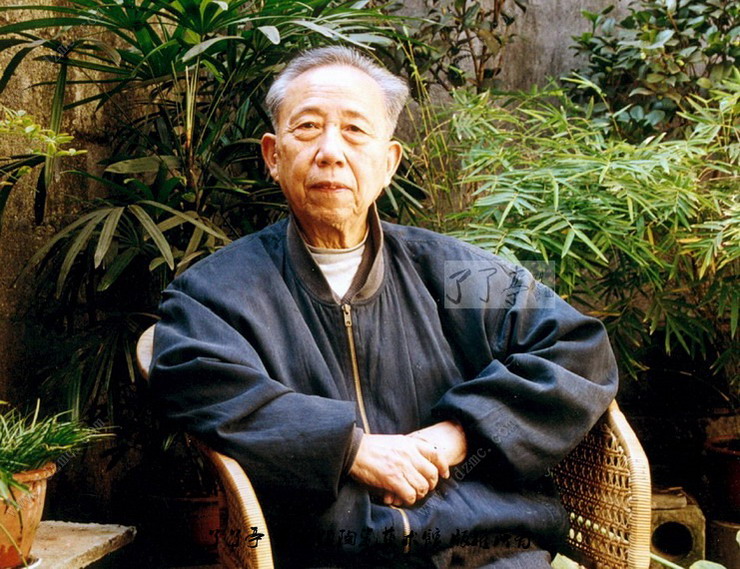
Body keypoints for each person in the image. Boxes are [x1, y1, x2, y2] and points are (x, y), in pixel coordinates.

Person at [149, 46, 618, 568]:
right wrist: (351, 450)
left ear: (389, 162)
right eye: (307, 128)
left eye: (354, 130)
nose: (330, 151)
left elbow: (577, 347)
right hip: (329, 554)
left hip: (489, 547)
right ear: (273, 155)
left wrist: (458, 435)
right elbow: (198, 381)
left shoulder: (453, 273)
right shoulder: (219, 291)